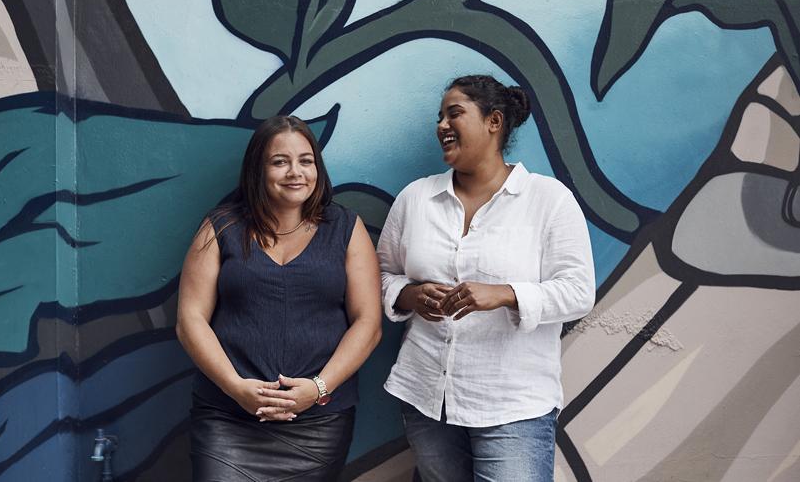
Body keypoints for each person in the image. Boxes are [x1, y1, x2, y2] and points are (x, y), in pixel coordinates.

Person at [377, 75, 595, 482]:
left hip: (513, 405)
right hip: (427, 398)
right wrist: (410, 295)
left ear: (494, 122)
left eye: (454, 113)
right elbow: (382, 274)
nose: (442, 124)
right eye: (439, 116)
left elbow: (579, 293)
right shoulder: (416, 199)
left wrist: (506, 294)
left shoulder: (548, 200)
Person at [176, 115, 382, 481]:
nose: (295, 172)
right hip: (227, 416)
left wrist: (317, 388)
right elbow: (190, 319)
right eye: (279, 161)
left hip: (318, 423)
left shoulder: (346, 229)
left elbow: (368, 324)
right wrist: (235, 387)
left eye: (306, 161)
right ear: (258, 169)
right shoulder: (221, 226)